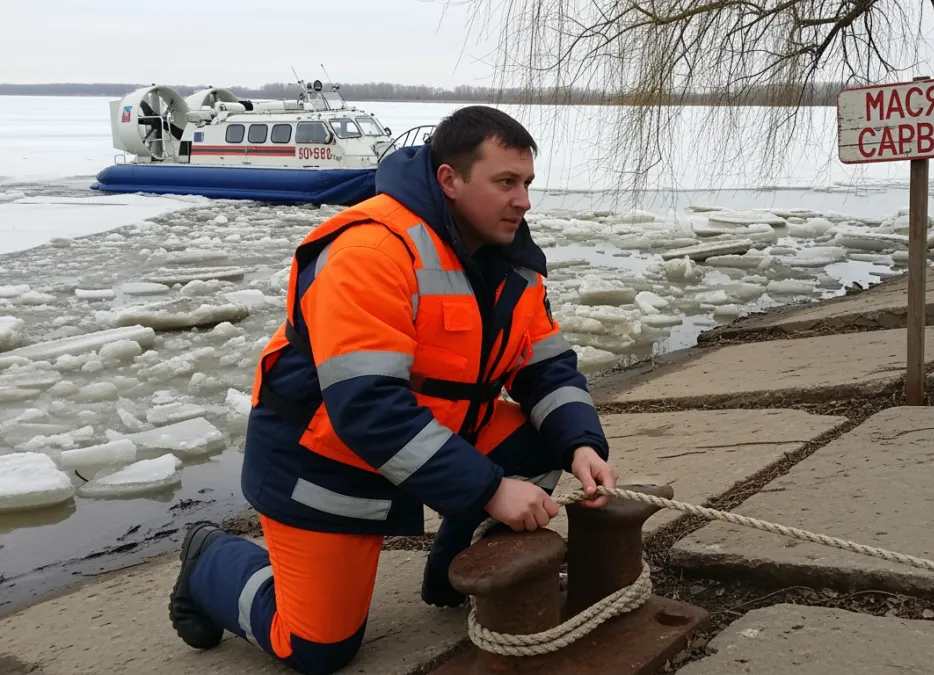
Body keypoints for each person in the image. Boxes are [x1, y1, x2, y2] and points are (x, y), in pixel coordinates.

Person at [167, 106, 617, 675]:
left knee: (543, 442)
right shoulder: (369, 251)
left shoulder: (514, 263)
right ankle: (208, 559)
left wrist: (582, 445)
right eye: (505, 182)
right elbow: (367, 408)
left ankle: (459, 569)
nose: (523, 201)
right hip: (325, 458)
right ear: (450, 180)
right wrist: (487, 488)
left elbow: (545, 369)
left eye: (527, 183)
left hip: (431, 431)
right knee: (316, 648)